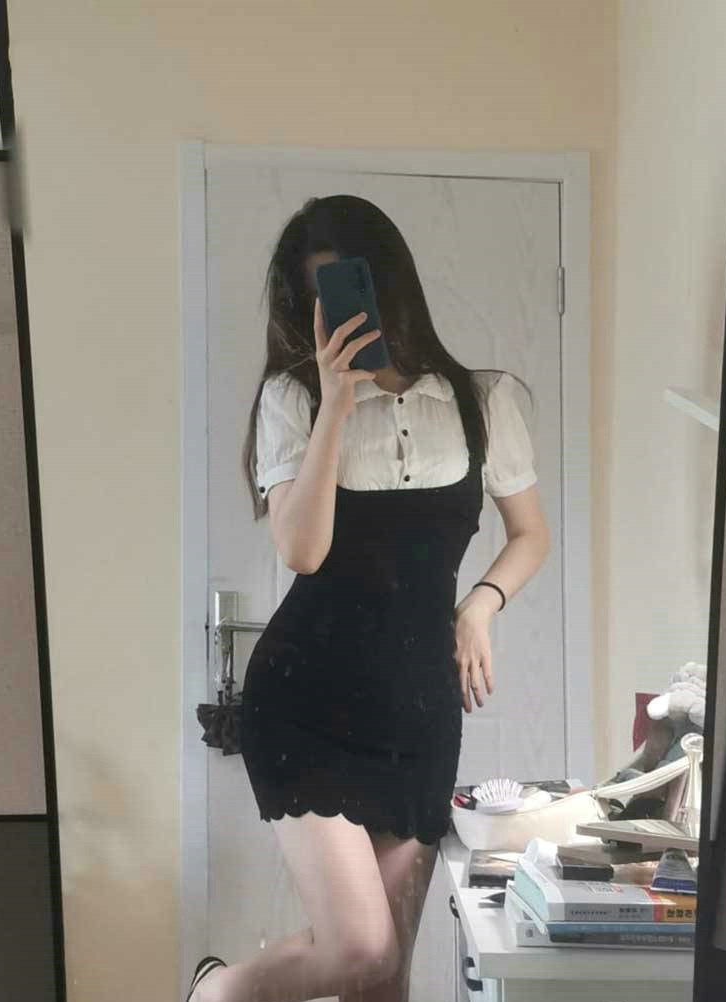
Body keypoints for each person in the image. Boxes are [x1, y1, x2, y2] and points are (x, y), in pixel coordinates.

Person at [188, 194, 550, 1002]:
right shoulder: (294, 401)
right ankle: (213, 993)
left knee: (385, 979)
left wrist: (481, 604)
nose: (347, 314)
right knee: (358, 946)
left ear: (393, 283)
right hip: (305, 706)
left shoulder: (483, 403)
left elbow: (530, 534)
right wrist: (335, 404)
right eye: (323, 296)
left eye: (354, 288)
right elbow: (302, 550)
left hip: (419, 713)